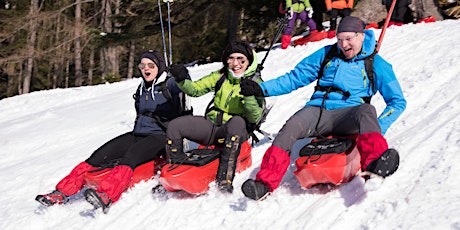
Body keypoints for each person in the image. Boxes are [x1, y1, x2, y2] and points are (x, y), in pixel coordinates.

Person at [239, 16, 407, 200]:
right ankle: (264, 184)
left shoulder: (376, 63)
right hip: (318, 111)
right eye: (340, 39)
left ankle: (374, 164)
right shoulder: (327, 54)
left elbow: (397, 101)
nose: (343, 44)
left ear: (361, 36)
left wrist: (376, 128)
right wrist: (261, 89)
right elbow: (295, 78)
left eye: (349, 39)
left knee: (366, 111)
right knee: (291, 127)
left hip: (348, 115)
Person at [36, 50, 186, 213]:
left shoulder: (170, 84)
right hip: (137, 134)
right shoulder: (142, 87)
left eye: (151, 65)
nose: (146, 69)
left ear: (159, 67)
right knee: (98, 155)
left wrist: (183, 76)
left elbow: (186, 89)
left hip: (160, 136)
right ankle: (61, 192)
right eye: (142, 65)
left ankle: (107, 195)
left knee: (131, 157)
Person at [165, 40, 264, 193]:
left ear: (248, 61)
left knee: (237, 122)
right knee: (175, 126)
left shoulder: (255, 82)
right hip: (212, 127)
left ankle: (225, 178)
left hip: (235, 131)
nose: (235, 64)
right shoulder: (220, 76)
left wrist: (250, 96)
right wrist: (181, 79)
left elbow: (254, 117)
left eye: (241, 59)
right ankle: (175, 169)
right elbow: (195, 90)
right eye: (231, 59)